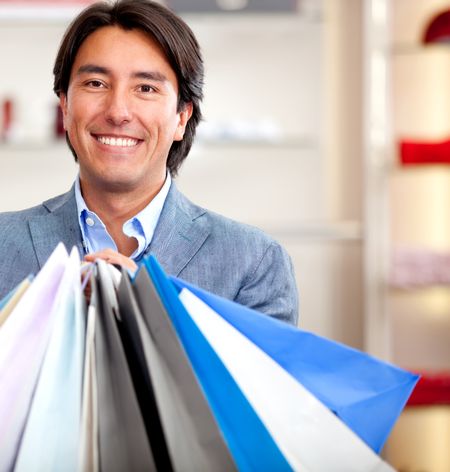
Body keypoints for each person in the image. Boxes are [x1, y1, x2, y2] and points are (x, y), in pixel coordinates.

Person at [0, 0, 298, 324]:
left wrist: (149, 310)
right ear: (66, 108)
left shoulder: (253, 263)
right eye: (96, 83)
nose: (118, 112)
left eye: (146, 88)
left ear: (182, 117)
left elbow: (248, 376)